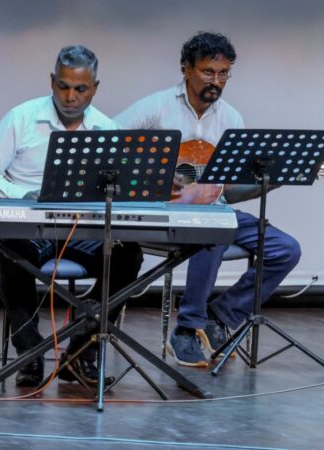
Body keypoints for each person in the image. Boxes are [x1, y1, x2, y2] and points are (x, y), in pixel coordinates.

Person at [115, 32, 301, 367]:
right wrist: (153, 177)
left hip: (215, 210)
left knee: (285, 249)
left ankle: (220, 316)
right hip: (165, 213)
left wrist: (269, 183)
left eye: (223, 74)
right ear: (186, 69)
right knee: (212, 231)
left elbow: (229, 189)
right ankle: (187, 329)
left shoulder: (231, 118)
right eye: (207, 72)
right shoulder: (156, 108)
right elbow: (107, 147)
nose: (216, 81)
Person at [0, 45, 144, 387]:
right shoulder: (22, 117)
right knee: (9, 251)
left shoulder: (106, 129)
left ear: (95, 88)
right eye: (63, 86)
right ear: (52, 81)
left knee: (128, 255)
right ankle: (30, 355)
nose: (70, 96)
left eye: (80, 89)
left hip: (82, 231)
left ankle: (81, 351)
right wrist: (20, 194)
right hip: (30, 227)